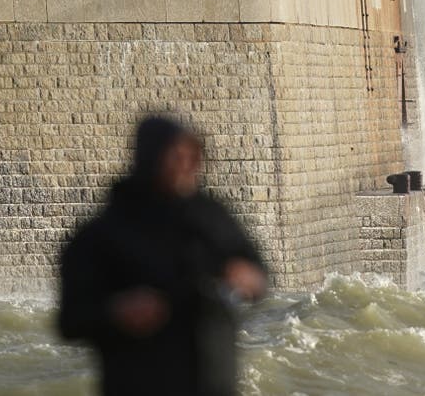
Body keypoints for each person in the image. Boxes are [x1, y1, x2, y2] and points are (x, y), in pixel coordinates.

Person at [58, 115, 268, 396]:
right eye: (176, 157)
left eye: (192, 156)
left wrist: (250, 278)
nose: (187, 166)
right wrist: (117, 311)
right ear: (150, 158)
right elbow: (71, 319)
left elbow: (258, 272)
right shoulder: (104, 232)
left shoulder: (211, 215)